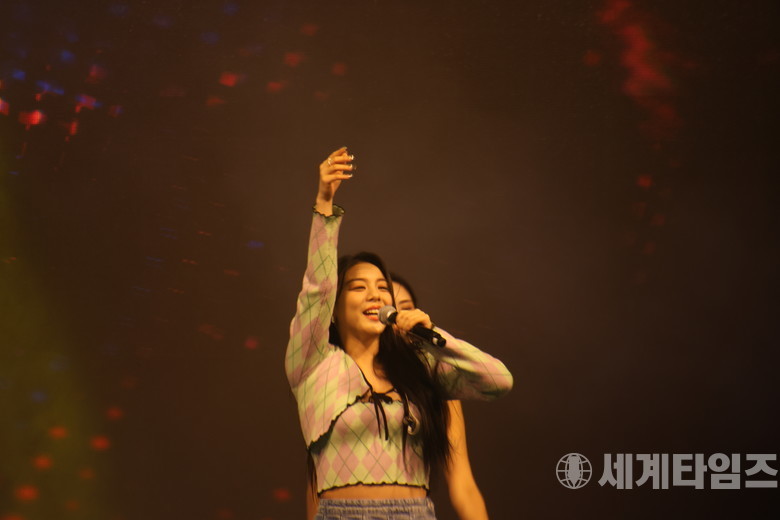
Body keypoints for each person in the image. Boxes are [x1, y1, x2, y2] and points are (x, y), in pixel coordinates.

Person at [287, 147, 513, 520]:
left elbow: (498, 381)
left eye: (382, 288)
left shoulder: (419, 369)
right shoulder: (314, 364)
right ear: (334, 307)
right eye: (358, 287)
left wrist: (434, 335)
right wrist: (324, 204)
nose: (375, 295)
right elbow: (316, 289)